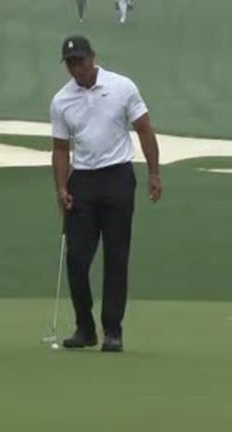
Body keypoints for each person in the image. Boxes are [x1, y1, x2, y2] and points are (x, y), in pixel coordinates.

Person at [49, 35, 162, 352]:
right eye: (71, 63)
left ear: (92, 58)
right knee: (76, 257)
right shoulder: (61, 101)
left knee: (116, 256)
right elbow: (60, 150)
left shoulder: (122, 86)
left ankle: (113, 330)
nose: (77, 68)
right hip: (82, 180)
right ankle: (84, 328)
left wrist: (153, 172)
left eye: (81, 61)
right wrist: (61, 187)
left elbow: (144, 129)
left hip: (118, 176)